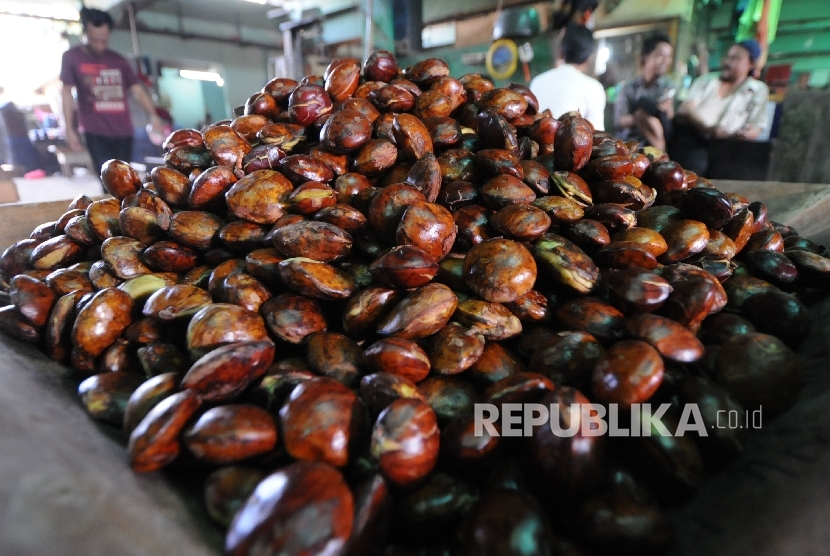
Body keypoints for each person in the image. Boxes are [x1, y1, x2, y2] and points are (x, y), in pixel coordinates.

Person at [59, 7, 164, 175]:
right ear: (85, 33)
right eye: (94, 40)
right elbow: (66, 93)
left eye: (104, 40)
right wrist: (70, 130)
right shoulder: (72, 57)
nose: (100, 46)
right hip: (95, 131)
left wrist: (154, 116)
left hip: (123, 131)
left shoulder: (118, 60)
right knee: (107, 178)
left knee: (124, 178)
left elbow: (137, 91)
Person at [669, 39, 770, 176]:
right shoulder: (707, 80)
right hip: (694, 135)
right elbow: (685, 109)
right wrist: (709, 129)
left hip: (728, 145)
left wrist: (747, 133)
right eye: (728, 57)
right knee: (692, 169)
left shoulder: (758, 89)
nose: (728, 62)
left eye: (736, 58)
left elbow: (756, 126)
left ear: (751, 64)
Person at [530, 24, 606, 130]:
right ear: (588, 57)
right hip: (572, 146)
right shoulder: (594, 89)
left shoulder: (537, 81)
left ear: (561, 51)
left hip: (535, 145)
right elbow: (597, 136)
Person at [614, 33, 676, 150]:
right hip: (628, 145)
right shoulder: (629, 88)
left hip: (653, 145)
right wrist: (640, 117)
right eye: (661, 55)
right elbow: (619, 120)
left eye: (669, 57)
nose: (666, 61)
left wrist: (667, 111)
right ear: (646, 56)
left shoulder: (669, 87)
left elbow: (670, 121)